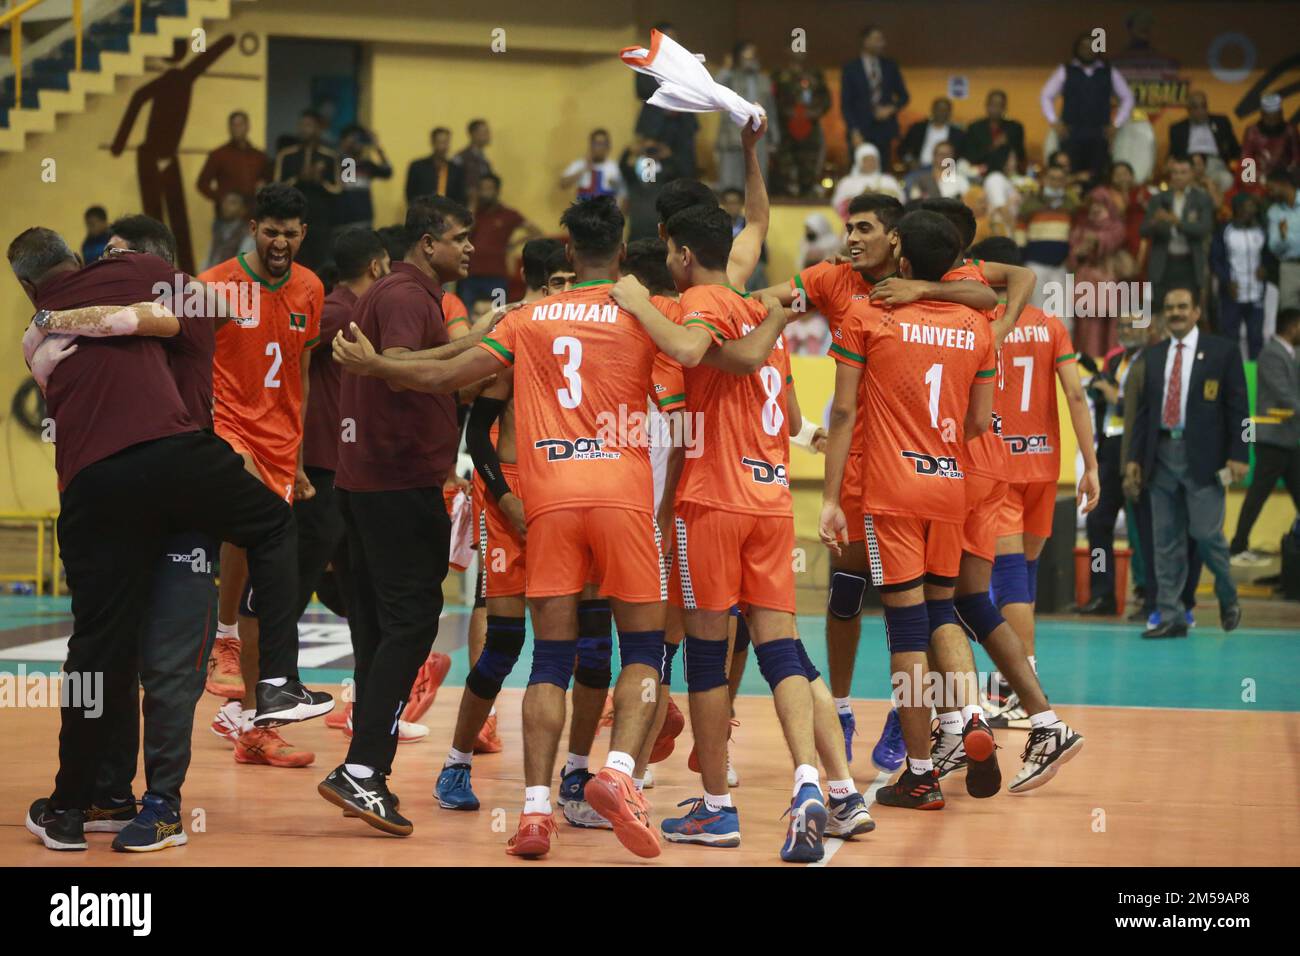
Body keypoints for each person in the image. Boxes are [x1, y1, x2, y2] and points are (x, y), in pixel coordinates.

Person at [332, 196, 668, 860]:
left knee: (546, 659)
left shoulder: (529, 317)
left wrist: (376, 367)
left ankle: (536, 813)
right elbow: (711, 355)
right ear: (623, 253)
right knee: (644, 652)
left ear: (567, 250)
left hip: (548, 502)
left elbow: (445, 373)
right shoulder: (645, 316)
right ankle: (618, 775)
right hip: (623, 498)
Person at [11, 226, 331, 851]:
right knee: (126, 657)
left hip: (116, 488)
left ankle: (126, 803)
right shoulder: (145, 295)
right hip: (172, 476)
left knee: (130, 662)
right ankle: (109, 794)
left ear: (146, 260)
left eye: (123, 250)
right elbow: (149, 322)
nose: (114, 257)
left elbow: (149, 322)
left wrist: (56, 317)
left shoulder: (126, 304)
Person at [610, 204, 832, 860]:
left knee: (706, 657)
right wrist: (750, 146)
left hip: (713, 499)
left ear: (680, 255)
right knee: (781, 648)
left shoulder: (696, 304)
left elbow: (685, 347)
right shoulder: (767, 320)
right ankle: (810, 781)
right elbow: (789, 413)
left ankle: (716, 806)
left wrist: (633, 300)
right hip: (772, 500)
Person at [316, 196, 484, 836]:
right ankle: (362, 769)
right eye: (459, 237)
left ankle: (368, 769)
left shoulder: (389, 292)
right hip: (397, 488)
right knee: (412, 625)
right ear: (426, 242)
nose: (468, 248)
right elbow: (409, 374)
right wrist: (488, 343)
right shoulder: (410, 299)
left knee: (376, 633)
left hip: (363, 488)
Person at [435, 242, 616, 831]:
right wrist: (506, 499)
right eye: (556, 281)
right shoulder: (519, 333)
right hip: (513, 492)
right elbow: (480, 433)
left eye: (572, 279)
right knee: (505, 643)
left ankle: (577, 773)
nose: (567, 289)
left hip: (576, 484)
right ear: (538, 285)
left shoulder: (597, 337)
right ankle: (456, 760)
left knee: (592, 649)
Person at [820, 210, 997, 811]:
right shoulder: (976, 325)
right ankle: (971, 713)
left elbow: (843, 414)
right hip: (951, 487)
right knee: (943, 609)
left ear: (901, 255)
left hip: (892, 492)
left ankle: (919, 773)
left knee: (906, 629)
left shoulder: (868, 314)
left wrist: (828, 496)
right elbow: (978, 422)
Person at [200, 184, 326, 768]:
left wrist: (298, 460)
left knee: (267, 582)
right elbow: (189, 363)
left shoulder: (310, 288)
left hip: (281, 443)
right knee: (247, 532)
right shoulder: (214, 285)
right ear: (253, 227)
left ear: (303, 234)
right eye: (271, 230)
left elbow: (299, 370)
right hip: (228, 427)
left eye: (291, 231)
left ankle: (254, 720)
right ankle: (222, 637)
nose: (281, 241)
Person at [988, 242, 1099, 724]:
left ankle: (1021, 684)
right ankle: (1005, 681)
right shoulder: (1051, 325)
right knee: (1025, 574)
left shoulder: (980, 324)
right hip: (1044, 466)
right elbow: (1076, 394)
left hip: (999, 466)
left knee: (1007, 578)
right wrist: (1090, 465)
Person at [1126, 288, 1247, 638]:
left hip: (1205, 460)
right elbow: (1144, 414)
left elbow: (1241, 411)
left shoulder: (1223, 352)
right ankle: (1171, 615)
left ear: (1196, 311)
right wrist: (1134, 458)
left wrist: (1241, 454)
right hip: (1160, 455)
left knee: (1207, 534)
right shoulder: (1153, 354)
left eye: (1182, 307)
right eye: (1169, 308)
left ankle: (1228, 594)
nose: (1175, 313)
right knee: (1165, 540)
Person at [1081, 312, 1147, 614]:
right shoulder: (1114, 358)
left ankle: (1148, 593)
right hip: (1109, 444)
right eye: (1121, 325)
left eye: (1132, 325)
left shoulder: (1153, 359)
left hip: (1136, 448)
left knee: (1142, 527)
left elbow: (1147, 405)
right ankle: (1103, 594)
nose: (1125, 330)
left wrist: (1115, 397)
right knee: (1097, 522)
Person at [1230, 309, 1300, 564]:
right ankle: (1238, 546)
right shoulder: (1272, 354)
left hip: (1288, 439)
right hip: (1272, 438)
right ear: (1292, 326)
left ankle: (1238, 545)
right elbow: (1284, 394)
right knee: (1258, 494)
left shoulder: (1290, 354)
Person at [1040, 32, 1135, 180]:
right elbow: (1046, 95)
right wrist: (1054, 121)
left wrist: (1116, 124)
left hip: (1099, 132)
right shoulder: (1065, 70)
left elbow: (1127, 97)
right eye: (1083, 47)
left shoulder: (1108, 71)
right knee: (1069, 175)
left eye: (1092, 46)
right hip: (1071, 133)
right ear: (1077, 49)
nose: (1088, 50)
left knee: (1097, 176)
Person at [1142, 156, 1215, 314]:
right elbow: (1143, 230)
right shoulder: (1159, 199)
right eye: (1175, 172)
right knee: (1161, 311)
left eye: (1183, 172)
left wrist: (1178, 222)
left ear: (1192, 174)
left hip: (1189, 265)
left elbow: (1204, 228)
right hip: (1164, 263)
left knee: (1186, 312)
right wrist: (1155, 221)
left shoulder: (1201, 199)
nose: (1178, 176)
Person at [1068, 186, 1134, 358]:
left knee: (1110, 326)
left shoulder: (1116, 226)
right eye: (1093, 204)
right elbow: (1073, 256)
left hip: (1108, 282)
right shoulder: (1081, 228)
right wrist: (1079, 251)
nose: (1096, 208)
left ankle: (1109, 362)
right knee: (1085, 327)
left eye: (1100, 204)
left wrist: (1094, 242)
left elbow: (1111, 241)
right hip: (1085, 283)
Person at [461, 174, 542, 311]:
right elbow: (465, 231)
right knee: (466, 315)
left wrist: (514, 244)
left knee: (498, 316)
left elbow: (537, 232)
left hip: (497, 275)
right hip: (470, 275)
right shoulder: (472, 213)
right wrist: (472, 204)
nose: (485, 193)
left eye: (489, 188)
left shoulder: (508, 214)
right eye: (482, 189)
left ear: (497, 191)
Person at [273, 110, 341, 270]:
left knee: (321, 264)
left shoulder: (331, 156)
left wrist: (320, 182)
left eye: (309, 125)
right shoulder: (286, 155)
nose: (304, 129)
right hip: (292, 219)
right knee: (293, 264)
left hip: (321, 220)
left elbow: (338, 189)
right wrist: (298, 178)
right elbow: (276, 188)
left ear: (319, 129)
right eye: (301, 125)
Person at [714, 41, 779, 191]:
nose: (751, 61)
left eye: (754, 57)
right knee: (731, 185)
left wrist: (773, 138)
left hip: (759, 137)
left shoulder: (765, 80)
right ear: (738, 59)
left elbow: (771, 110)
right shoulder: (730, 77)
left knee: (757, 182)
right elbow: (714, 87)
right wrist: (726, 67)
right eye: (747, 57)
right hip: (732, 137)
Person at [840, 25, 909, 165]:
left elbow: (904, 96)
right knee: (859, 169)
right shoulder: (850, 69)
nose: (882, 44)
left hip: (884, 130)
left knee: (882, 169)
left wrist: (890, 108)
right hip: (860, 130)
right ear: (865, 41)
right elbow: (846, 104)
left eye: (882, 40)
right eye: (877, 39)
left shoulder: (890, 66)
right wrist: (854, 131)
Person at [1210, 193, 1268, 359]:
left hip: (1256, 293)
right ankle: (1232, 380)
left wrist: (1265, 269)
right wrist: (1227, 281)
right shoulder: (1225, 231)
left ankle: (1252, 381)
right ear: (1238, 209)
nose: (1252, 210)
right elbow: (1215, 260)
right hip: (1233, 293)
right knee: (1230, 339)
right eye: (1248, 206)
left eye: (1253, 206)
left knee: (1256, 339)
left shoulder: (1260, 230)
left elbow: (1267, 256)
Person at [1017, 163, 1080, 310]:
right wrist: (1020, 258)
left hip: (1060, 266)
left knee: (1063, 314)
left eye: (1060, 179)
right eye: (1052, 178)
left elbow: (1075, 233)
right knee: (1037, 311)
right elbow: (1019, 231)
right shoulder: (1030, 203)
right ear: (1044, 180)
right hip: (1035, 265)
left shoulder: (1071, 205)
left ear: (1065, 182)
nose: (1056, 183)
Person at [771, 50, 831, 199]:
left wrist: (815, 111)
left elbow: (826, 99)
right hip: (785, 132)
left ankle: (807, 199)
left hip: (810, 132)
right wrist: (785, 111)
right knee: (785, 173)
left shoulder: (815, 74)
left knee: (809, 173)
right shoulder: (779, 75)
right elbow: (771, 100)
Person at [196, 110, 270, 214]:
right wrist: (222, 199)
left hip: (253, 214)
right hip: (227, 218)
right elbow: (202, 183)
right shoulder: (218, 155)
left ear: (248, 126)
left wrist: (262, 189)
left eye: (240, 124)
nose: (237, 128)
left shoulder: (259, 156)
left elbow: (268, 181)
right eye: (233, 125)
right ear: (229, 128)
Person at [620, 136, 683, 241]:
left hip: (658, 235)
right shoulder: (633, 179)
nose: (650, 156)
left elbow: (678, 173)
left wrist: (667, 155)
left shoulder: (663, 179)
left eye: (653, 151)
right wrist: (631, 150)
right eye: (648, 151)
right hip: (636, 234)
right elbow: (622, 165)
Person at [334, 124, 392, 232]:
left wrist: (377, 146)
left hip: (365, 221)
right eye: (353, 138)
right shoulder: (337, 162)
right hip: (341, 223)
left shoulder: (367, 165)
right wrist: (344, 152)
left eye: (359, 139)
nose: (357, 143)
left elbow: (388, 172)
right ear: (343, 141)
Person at [1168, 91, 1240, 178]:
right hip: (1190, 166)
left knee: (1226, 179)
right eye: (1195, 107)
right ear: (1188, 109)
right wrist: (1190, 159)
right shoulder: (1178, 129)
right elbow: (1175, 155)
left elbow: (1235, 149)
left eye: (1203, 106)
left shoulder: (1221, 122)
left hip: (1215, 163)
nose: (1201, 111)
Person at [961, 89, 1026, 172]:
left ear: (1005, 108)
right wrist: (993, 146)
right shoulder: (974, 128)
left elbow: (1021, 155)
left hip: (1008, 172)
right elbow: (970, 156)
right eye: (993, 104)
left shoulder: (1014, 128)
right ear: (987, 106)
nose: (996, 108)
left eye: (1000, 105)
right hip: (979, 171)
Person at [831, 143, 903, 217]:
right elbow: (838, 205)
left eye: (873, 159)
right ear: (859, 161)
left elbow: (900, 202)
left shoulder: (889, 180)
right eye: (866, 160)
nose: (870, 163)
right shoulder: (847, 182)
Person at [405, 127, 468, 208]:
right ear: (432, 142)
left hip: (449, 216)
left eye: (446, 142)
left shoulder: (456, 169)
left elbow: (460, 197)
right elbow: (410, 195)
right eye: (440, 142)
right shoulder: (417, 167)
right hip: (422, 214)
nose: (443, 146)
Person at [1241, 92, 1300, 176]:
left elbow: (1296, 157)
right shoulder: (1252, 131)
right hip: (1260, 176)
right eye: (1269, 118)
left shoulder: (1290, 130)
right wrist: (1253, 178)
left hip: (1285, 175)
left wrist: (1291, 173)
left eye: (1275, 117)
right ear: (1262, 115)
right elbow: (1247, 158)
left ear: (1281, 114)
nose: (1272, 121)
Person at [560, 128, 626, 203]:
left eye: (603, 144)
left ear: (608, 147)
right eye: (596, 143)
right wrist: (583, 170)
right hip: (583, 213)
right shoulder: (580, 164)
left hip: (605, 213)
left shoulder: (614, 167)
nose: (600, 148)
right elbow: (563, 184)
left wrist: (615, 185)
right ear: (591, 145)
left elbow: (623, 192)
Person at [1266, 168, 1300, 310]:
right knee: (1289, 316)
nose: (1270, 192)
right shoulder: (1274, 212)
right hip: (1288, 267)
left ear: (1283, 184)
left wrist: (1287, 237)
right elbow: (1273, 246)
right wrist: (1283, 237)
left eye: (1272, 188)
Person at [899, 97, 964, 171]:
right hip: (919, 168)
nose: (941, 112)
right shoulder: (917, 129)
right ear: (933, 110)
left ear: (950, 112)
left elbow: (961, 156)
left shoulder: (958, 134)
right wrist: (910, 160)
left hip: (946, 171)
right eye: (938, 109)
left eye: (945, 110)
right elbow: (902, 149)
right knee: (909, 181)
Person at [203, 192, 256, 270]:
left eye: (232, 203)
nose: (226, 206)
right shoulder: (218, 230)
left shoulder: (247, 234)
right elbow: (208, 260)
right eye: (225, 202)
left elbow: (242, 266)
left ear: (243, 209)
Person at [903, 141, 967, 201]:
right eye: (940, 153)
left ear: (952, 156)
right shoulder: (920, 179)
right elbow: (914, 200)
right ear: (933, 155)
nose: (943, 156)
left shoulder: (960, 180)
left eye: (947, 154)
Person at [453, 119, 494, 210]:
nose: (489, 135)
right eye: (485, 132)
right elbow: (453, 183)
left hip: (482, 208)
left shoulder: (485, 161)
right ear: (474, 134)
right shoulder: (461, 158)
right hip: (464, 207)